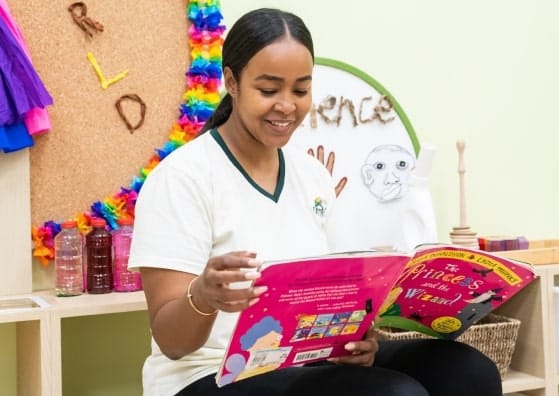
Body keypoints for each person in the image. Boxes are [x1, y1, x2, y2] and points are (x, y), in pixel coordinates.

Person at [128, 7, 502, 396]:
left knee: (467, 371)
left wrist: (359, 341)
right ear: (232, 82)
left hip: (304, 360)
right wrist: (204, 296)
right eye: (268, 90)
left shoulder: (311, 176)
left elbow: (342, 295)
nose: (287, 105)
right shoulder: (181, 178)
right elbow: (172, 343)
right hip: (210, 376)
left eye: (301, 90)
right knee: (394, 394)